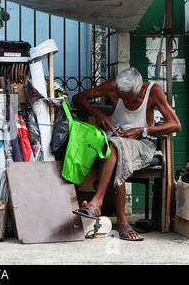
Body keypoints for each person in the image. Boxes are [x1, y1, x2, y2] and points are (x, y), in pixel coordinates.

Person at [72, 67, 181, 241]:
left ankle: (97, 203)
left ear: (137, 92)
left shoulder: (153, 91)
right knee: (114, 147)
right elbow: (78, 98)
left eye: (126, 97)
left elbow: (175, 125)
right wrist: (99, 114)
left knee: (115, 149)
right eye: (119, 94)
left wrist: (142, 130)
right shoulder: (114, 87)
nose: (120, 98)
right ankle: (118, 219)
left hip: (141, 144)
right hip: (113, 143)